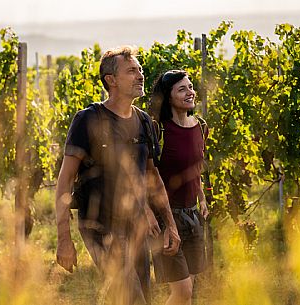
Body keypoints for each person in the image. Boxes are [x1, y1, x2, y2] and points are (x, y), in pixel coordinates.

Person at [55, 46, 181, 305]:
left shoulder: (145, 122)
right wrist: (63, 240)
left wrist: (170, 224)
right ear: (111, 80)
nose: (140, 75)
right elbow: (64, 181)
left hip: (135, 228)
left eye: (140, 70)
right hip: (98, 226)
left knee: (141, 296)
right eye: (132, 71)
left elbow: (152, 177)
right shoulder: (88, 120)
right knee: (130, 296)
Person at [148, 70, 209, 305]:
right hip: (167, 217)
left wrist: (201, 198)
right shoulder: (159, 130)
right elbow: (148, 177)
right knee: (182, 291)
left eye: (190, 86)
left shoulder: (200, 126)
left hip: (192, 215)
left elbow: (196, 167)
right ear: (168, 97)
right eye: (182, 89)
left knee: (189, 291)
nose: (190, 92)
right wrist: (160, 219)